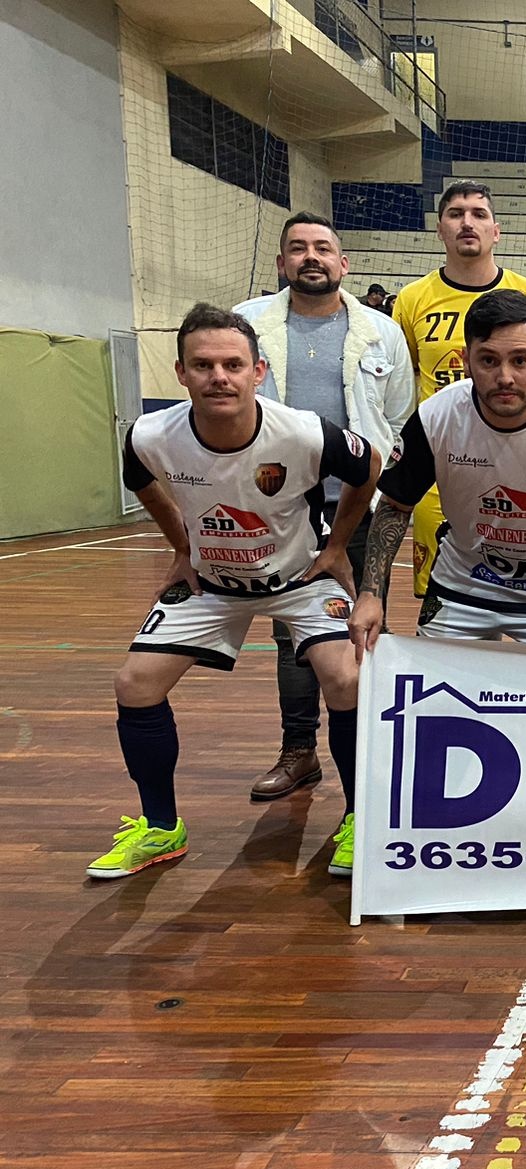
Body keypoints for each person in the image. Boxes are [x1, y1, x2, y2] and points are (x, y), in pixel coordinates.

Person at [92, 304, 380, 880]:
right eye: (203, 365)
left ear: (258, 371)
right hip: (213, 583)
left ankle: (361, 818)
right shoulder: (150, 435)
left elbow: (368, 466)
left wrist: (337, 547)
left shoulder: (301, 431)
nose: (218, 377)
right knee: (135, 684)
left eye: (232, 365)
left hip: (299, 580)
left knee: (348, 679)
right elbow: (140, 483)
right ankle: (160, 828)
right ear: (181, 373)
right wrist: (181, 547)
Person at [232, 212, 411, 803]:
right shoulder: (247, 323)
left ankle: (371, 761)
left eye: (323, 248)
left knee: (364, 629)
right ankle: (299, 749)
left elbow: (396, 413)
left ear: (343, 263)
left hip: (358, 509)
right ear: (281, 262)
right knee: (293, 637)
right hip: (281, 510)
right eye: (298, 248)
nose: (311, 257)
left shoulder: (382, 331)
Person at [350, 290, 526, 648]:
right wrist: (371, 593)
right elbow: (394, 505)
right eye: (488, 360)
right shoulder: (435, 417)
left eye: (520, 361)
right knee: (436, 685)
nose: (505, 377)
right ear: (466, 362)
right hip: (461, 588)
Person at [391, 181, 526, 599]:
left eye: (479, 214)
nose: (467, 223)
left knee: (521, 595)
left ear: (496, 231)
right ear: (440, 228)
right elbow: (403, 383)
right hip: (439, 471)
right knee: (440, 601)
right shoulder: (412, 299)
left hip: (517, 466)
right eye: (456, 214)